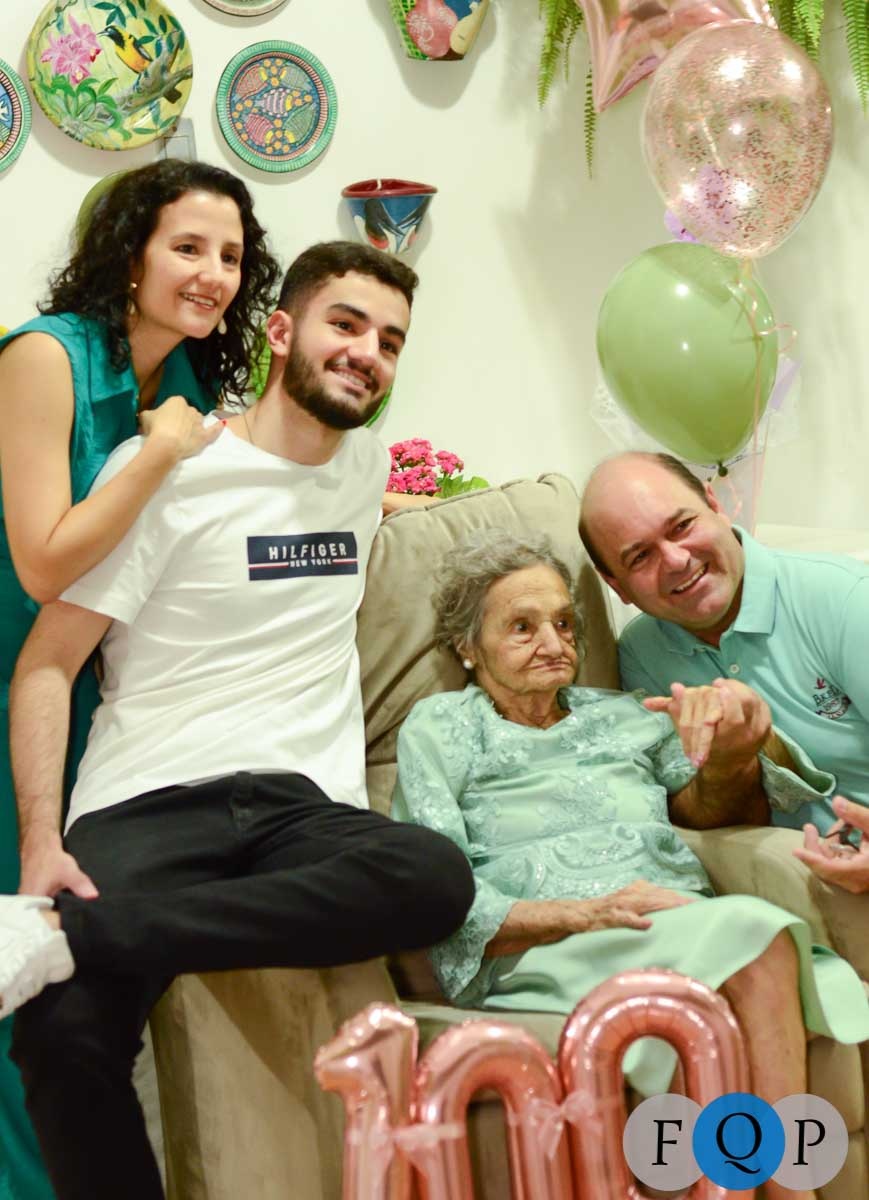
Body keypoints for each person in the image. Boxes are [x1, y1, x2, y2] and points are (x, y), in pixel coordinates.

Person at [0, 241, 474, 1200]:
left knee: (433, 877)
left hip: (301, 806)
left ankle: (83, 933)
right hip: (145, 799)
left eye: (389, 341)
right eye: (346, 324)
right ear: (281, 331)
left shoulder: (362, 468)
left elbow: (353, 499)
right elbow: (48, 663)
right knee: (60, 1033)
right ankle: (84, 938)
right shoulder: (170, 472)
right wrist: (42, 844)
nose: (367, 353)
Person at [392, 530, 869, 1200]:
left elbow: (717, 795)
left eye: (564, 623)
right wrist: (585, 914)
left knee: (750, 949)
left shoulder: (623, 715)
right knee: (757, 938)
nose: (553, 642)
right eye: (522, 627)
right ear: (468, 647)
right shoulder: (441, 728)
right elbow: (431, 884)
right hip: (548, 945)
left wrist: (734, 741)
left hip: (673, 921)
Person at [0, 158, 280, 1200]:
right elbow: (42, 563)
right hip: (16, 672)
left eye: (231, 256)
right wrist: (159, 451)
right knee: (15, 958)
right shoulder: (45, 358)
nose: (213, 274)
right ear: (130, 256)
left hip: (90, 694)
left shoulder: (189, 383)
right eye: (187, 247)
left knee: (57, 965)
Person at [579, 451, 869, 881]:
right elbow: (703, 821)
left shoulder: (844, 598)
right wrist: (727, 761)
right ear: (616, 586)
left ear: (714, 504)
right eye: (640, 556)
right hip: (789, 893)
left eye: (682, 526)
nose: (675, 560)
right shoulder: (640, 655)